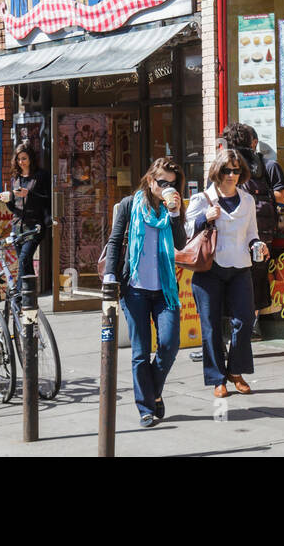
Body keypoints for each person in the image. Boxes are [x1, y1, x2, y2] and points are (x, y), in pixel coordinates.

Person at [103, 159, 187, 427]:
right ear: (150, 180)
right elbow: (115, 241)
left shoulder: (171, 209)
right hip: (135, 288)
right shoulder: (130, 205)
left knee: (169, 344)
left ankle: (153, 392)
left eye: (172, 184)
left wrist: (174, 215)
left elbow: (181, 244)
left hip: (164, 289)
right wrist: (110, 275)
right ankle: (145, 408)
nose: (167, 188)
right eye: (162, 183)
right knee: (140, 351)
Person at [187, 148, 269, 399]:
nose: (231, 175)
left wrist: (258, 244)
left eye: (236, 170)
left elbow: (252, 233)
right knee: (211, 325)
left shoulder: (247, 200)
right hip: (210, 268)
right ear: (217, 172)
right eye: (226, 170)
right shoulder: (203, 199)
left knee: (244, 321)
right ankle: (217, 378)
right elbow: (186, 230)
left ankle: (236, 371)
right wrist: (204, 218)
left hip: (240, 266)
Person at [219, 123, 284, 340]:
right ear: (253, 142)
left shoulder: (225, 168)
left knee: (234, 276)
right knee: (256, 276)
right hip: (261, 231)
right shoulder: (268, 165)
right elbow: (283, 197)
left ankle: (236, 326)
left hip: (235, 229)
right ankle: (252, 324)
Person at [3, 141, 50, 301]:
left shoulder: (41, 176)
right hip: (17, 226)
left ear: (30, 158)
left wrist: (29, 194)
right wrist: (8, 200)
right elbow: (13, 208)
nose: (21, 162)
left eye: (24, 158)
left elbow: (48, 199)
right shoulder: (15, 178)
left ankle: (17, 294)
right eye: (18, 159)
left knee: (24, 258)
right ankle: (29, 298)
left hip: (34, 226)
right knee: (25, 262)